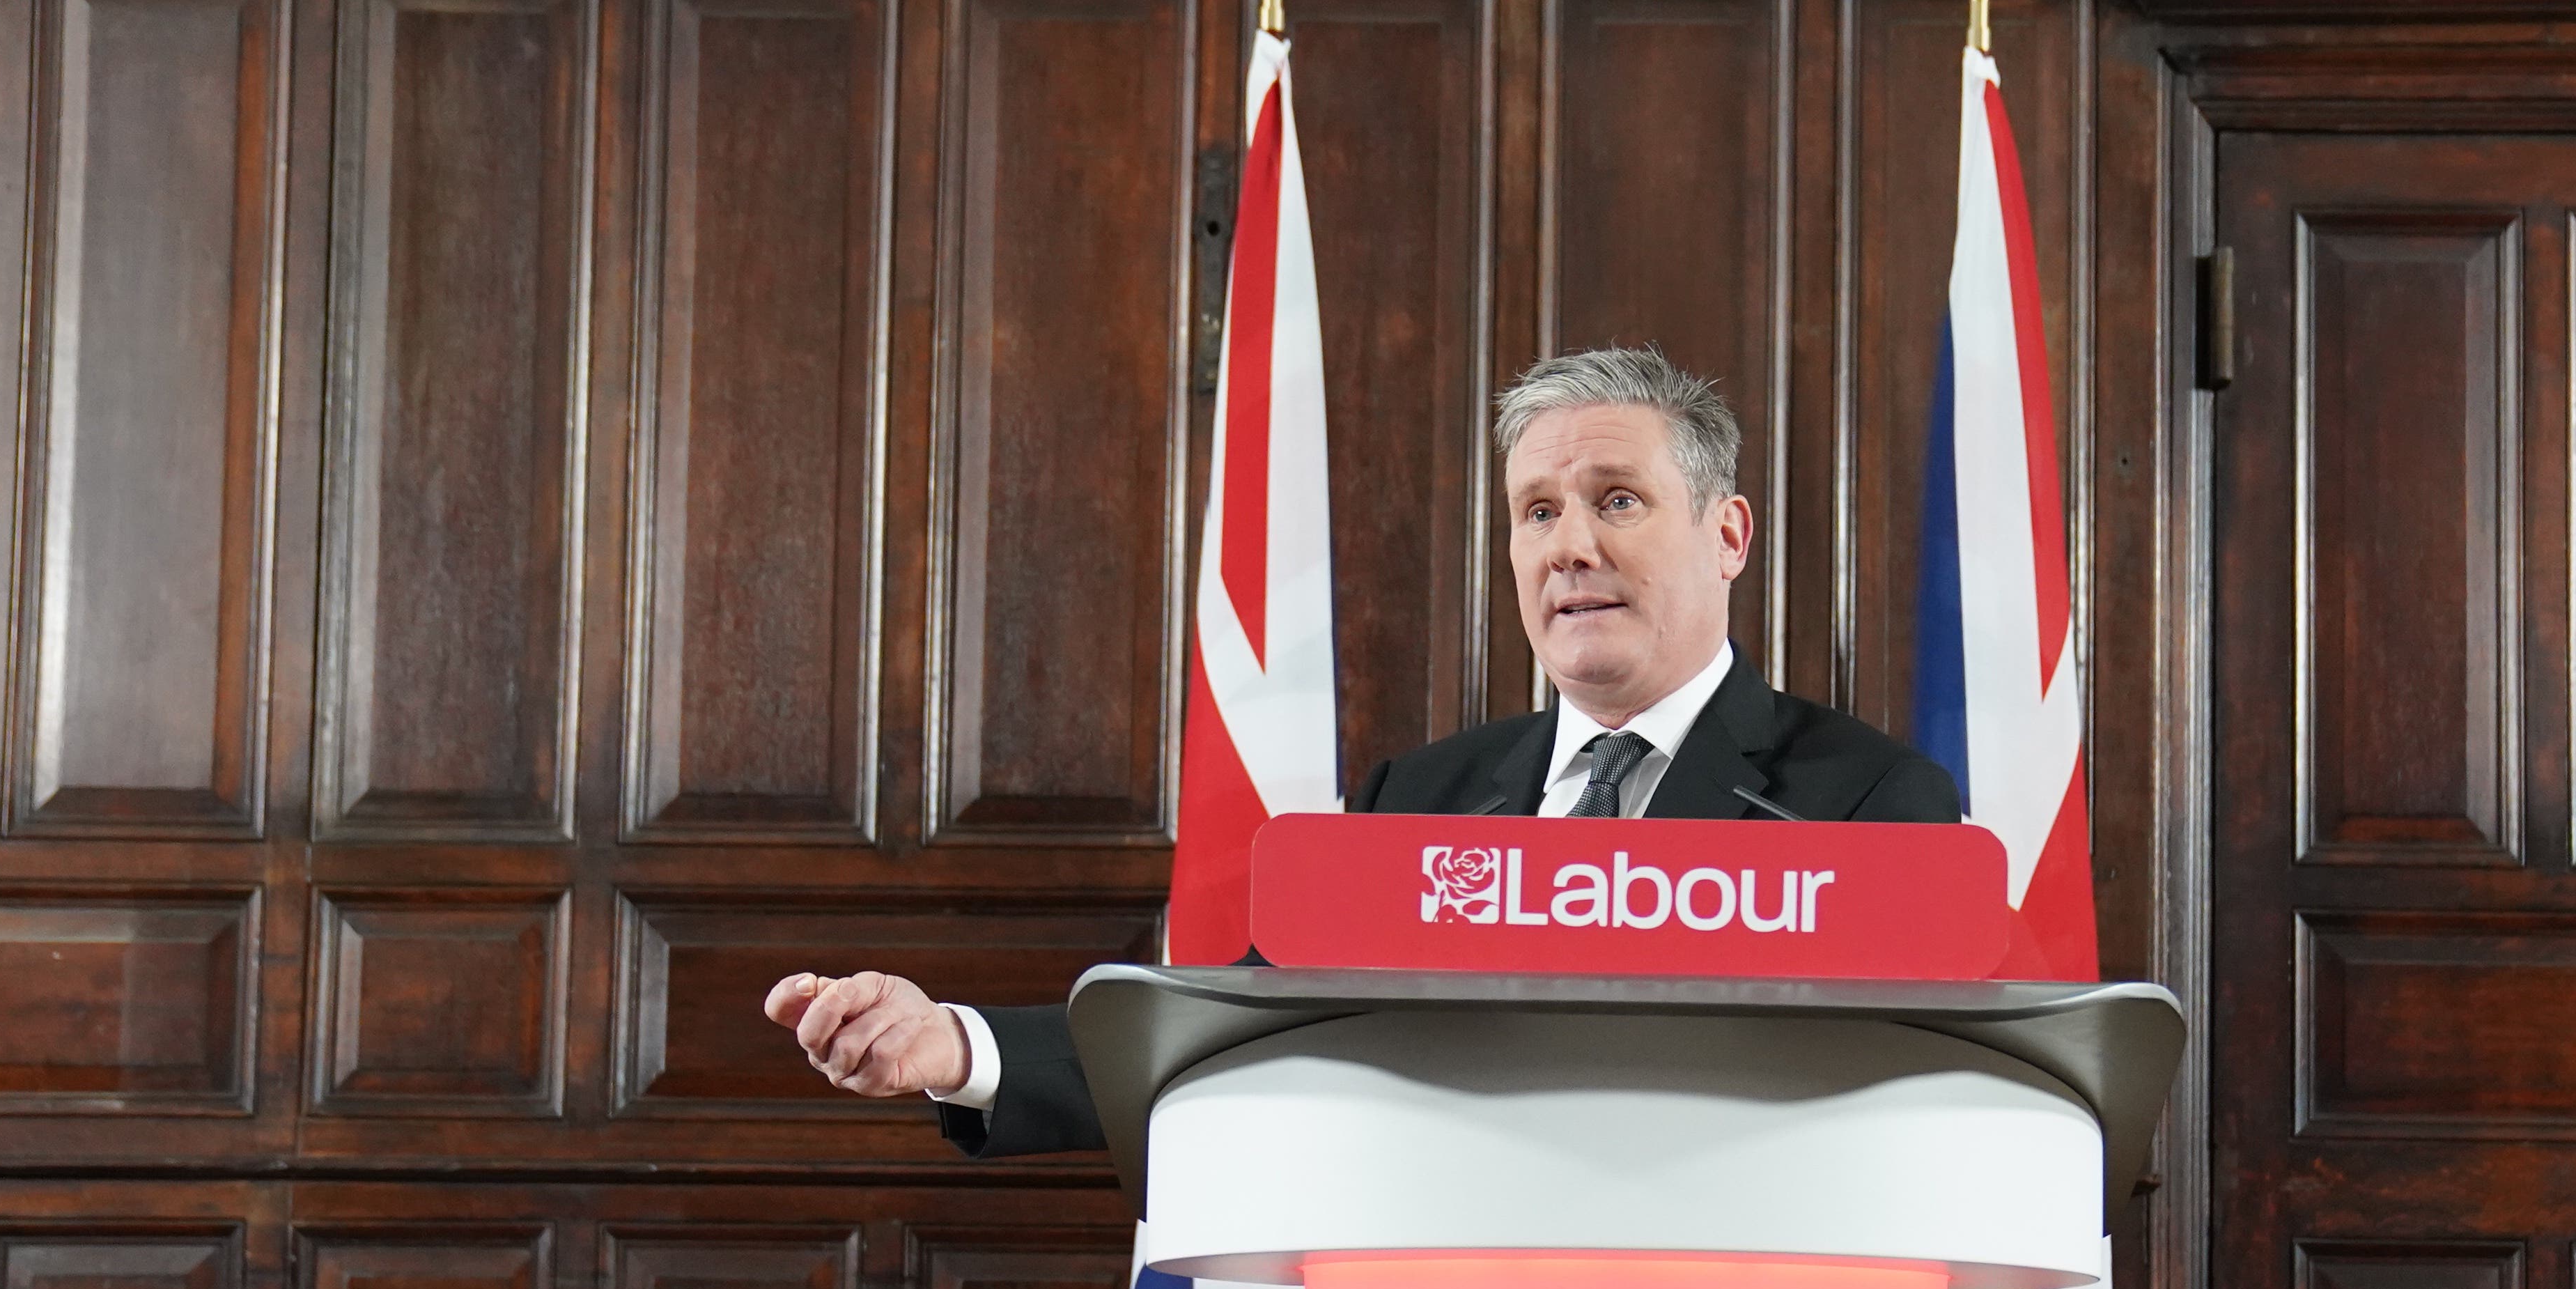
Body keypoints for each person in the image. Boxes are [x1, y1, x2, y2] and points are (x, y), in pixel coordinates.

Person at [765, 344, 1960, 1155]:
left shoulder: (1868, 803)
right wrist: (957, 1044)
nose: (1569, 547)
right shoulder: (1415, 802)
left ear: (1728, 534)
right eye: (1538, 512)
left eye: (1618, 500)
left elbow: (1908, 1107)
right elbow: (1236, 1031)